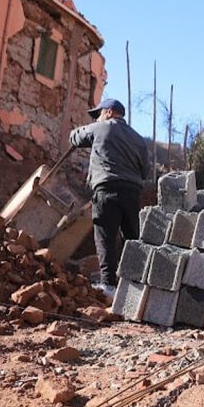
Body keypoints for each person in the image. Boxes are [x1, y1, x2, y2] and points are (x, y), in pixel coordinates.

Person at [69, 99, 149, 297]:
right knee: (131, 238)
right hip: (132, 192)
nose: (98, 118)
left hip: (107, 188)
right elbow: (145, 171)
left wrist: (88, 130)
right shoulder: (139, 139)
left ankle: (108, 285)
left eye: (99, 114)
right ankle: (135, 287)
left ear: (110, 112)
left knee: (105, 236)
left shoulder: (101, 127)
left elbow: (75, 137)